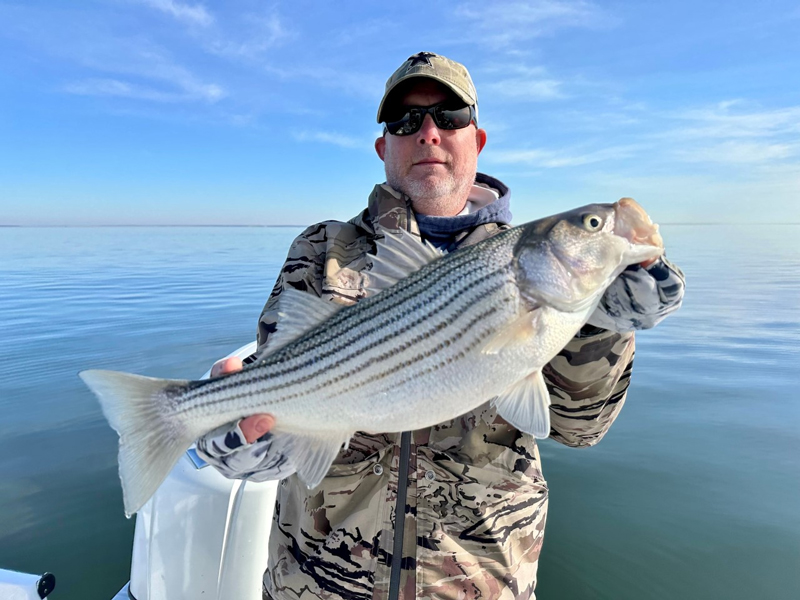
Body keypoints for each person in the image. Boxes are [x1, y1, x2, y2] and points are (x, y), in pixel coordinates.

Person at [197, 52, 685, 600]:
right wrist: (246, 443)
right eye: (406, 121)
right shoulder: (323, 249)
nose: (428, 132)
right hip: (317, 585)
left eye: (449, 116)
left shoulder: (531, 271)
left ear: (476, 140)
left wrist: (602, 326)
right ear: (384, 148)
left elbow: (579, 428)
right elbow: (286, 404)